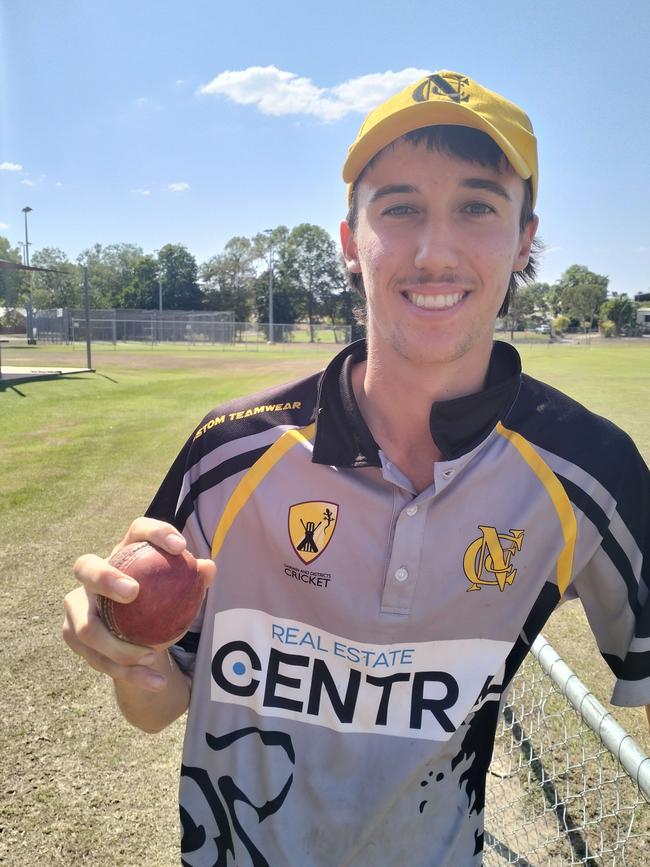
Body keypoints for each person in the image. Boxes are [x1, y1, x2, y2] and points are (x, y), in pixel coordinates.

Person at [63, 70, 650, 866]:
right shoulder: (229, 455)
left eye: (477, 205)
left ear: (523, 239)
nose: (434, 250)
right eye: (399, 206)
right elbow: (159, 705)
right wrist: (132, 663)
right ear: (350, 242)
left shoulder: (592, 471)